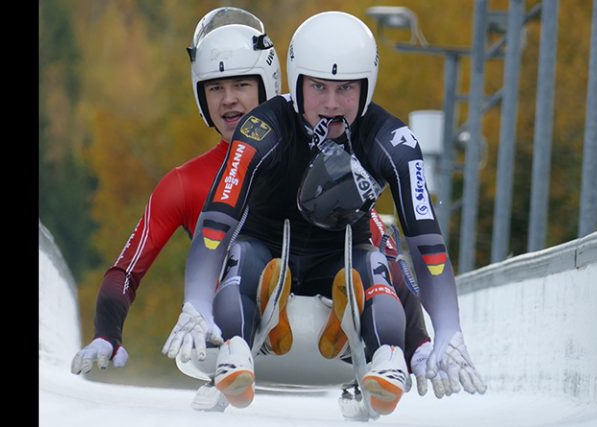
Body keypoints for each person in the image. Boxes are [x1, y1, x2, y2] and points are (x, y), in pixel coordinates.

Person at [69, 6, 439, 403]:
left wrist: (417, 340)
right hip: (229, 321)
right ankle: (263, 309)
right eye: (215, 88)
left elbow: (381, 250)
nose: (229, 100)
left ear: (270, 86)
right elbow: (128, 266)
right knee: (244, 258)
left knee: (370, 247)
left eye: (242, 85)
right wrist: (107, 333)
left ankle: (338, 320)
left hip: (320, 327)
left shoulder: (318, 159)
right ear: (201, 98)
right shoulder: (181, 184)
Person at [167, 11, 487, 416]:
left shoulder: (393, 140)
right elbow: (217, 220)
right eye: (318, 86)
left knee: (377, 259)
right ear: (297, 81)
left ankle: (385, 354)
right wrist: (196, 301)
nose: (332, 104)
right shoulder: (262, 128)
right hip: (266, 249)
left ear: (366, 88)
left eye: (345, 88)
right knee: (243, 255)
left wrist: (447, 331)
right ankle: (236, 344)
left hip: (343, 257)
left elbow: (427, 242)